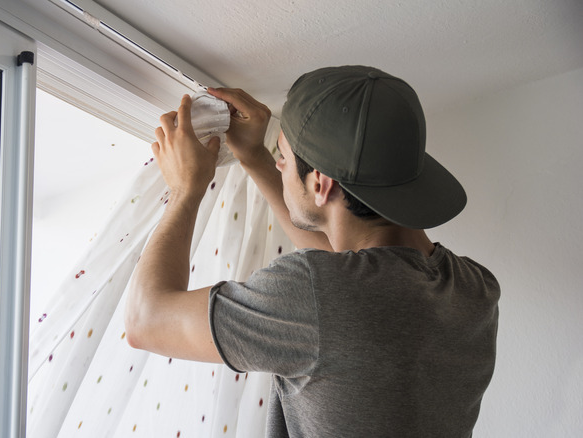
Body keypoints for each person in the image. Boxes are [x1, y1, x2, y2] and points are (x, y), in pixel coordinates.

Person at [125, 66, 499, 437]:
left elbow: (146, 320)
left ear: (320, 183)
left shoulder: (313, 291)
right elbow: (352, 278)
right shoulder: (475, 289)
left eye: (282, 156)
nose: (279, 163)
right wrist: (254, 155)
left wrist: (185, 189)